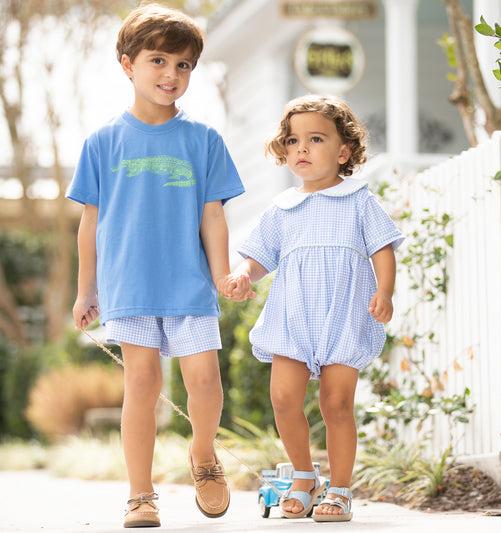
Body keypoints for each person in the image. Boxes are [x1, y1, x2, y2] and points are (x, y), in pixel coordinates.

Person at [67, 3, 244, 528]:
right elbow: (88, 226)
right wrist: (85, 292)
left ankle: (203, 456)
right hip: (131, 285)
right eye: (159, 61)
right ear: (128, 65)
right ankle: (140, 495)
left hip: (189, 283)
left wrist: (221, 274)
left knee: (205, 382)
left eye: (184, 65)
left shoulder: (204, 140)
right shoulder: (102, 142)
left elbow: (213, 217)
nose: (172, 74)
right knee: (141, 385)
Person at [221, 95, 404, 522]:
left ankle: (339, 490)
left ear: (343, 152)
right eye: (292, 140)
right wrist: (244, 274)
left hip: (343, 315)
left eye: (315, 139)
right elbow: (260, 256)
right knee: (283, 397)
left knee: (336, 404)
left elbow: (382, 249)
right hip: (293, 317)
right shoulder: (282, 208)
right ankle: (304, 476)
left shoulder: (359, 201)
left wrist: (386, 292)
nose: (301, 148)